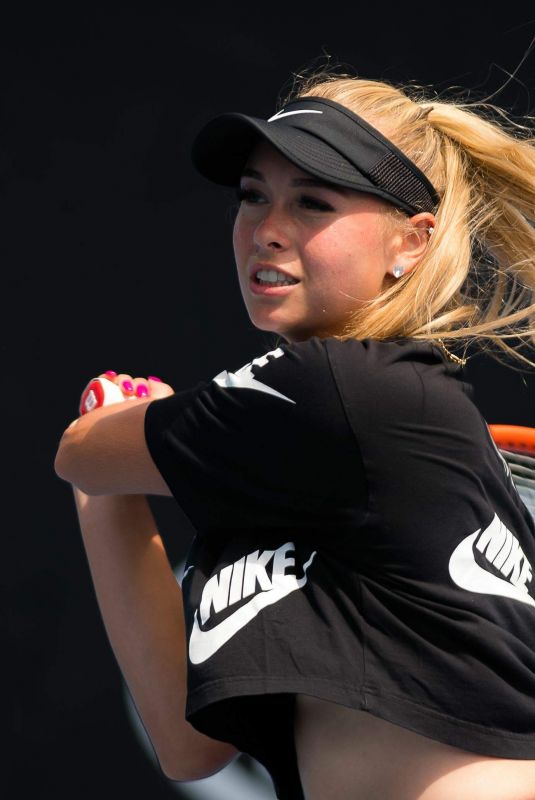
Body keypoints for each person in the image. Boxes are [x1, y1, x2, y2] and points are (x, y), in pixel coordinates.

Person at [54, 67, 535, 799]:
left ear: (411, 241)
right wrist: (106, 490)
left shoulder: (336, 390)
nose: (267, 230)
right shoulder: (298, 470)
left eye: (312, 202)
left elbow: (82, 449)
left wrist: (112, 429)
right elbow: (187, 747)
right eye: (253, 196)